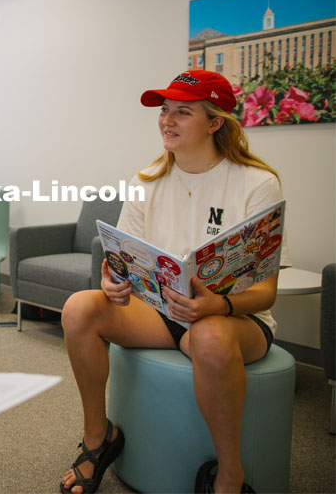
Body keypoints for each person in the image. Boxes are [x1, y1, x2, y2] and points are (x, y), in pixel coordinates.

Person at [58, 70, 288, 494]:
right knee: (79, 308)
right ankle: (98, 437)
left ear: (215, 122)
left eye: (183, 112)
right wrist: (113, 282)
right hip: (160, 313)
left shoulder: (257, 184)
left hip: (231, 320)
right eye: (165, 111)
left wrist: (216, 306)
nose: (167, 120)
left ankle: (230, 473)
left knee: (211, 339)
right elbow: (121, 261)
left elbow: (266, 292)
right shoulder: (147, 180)